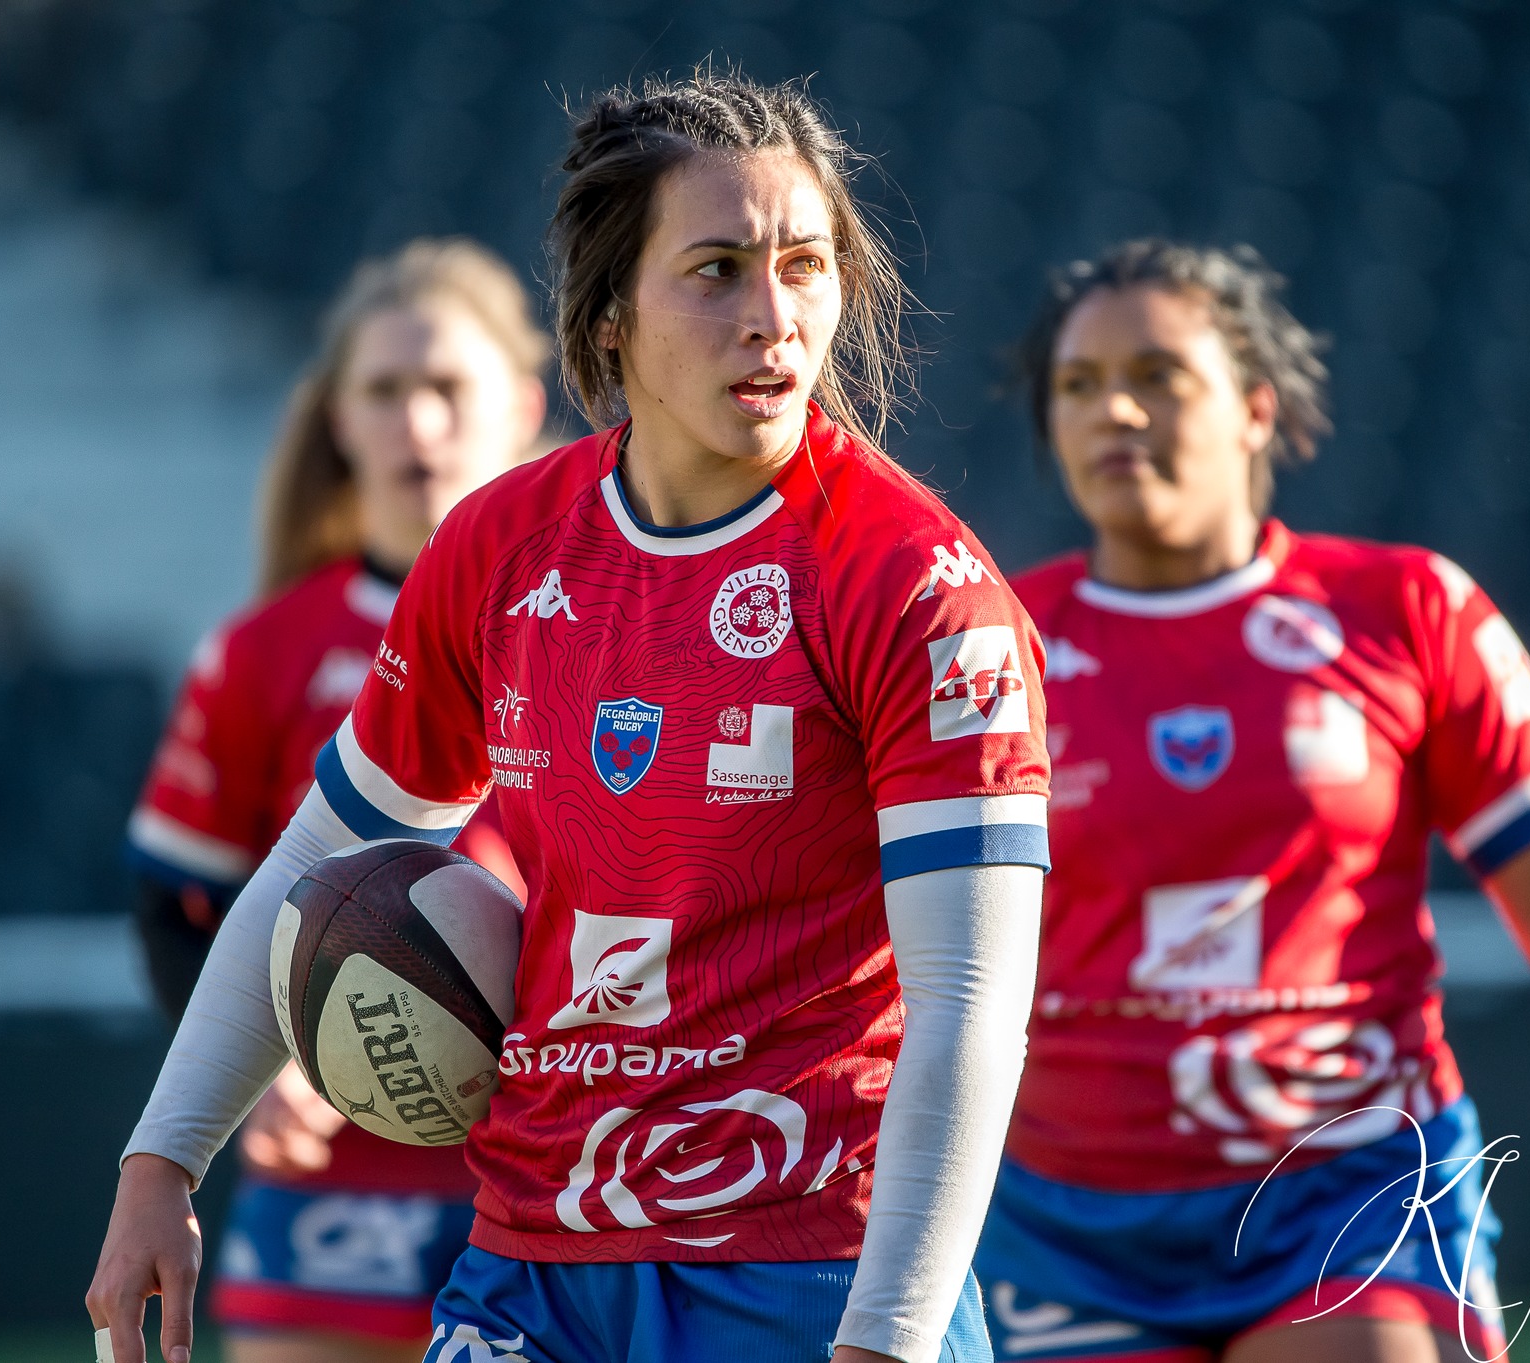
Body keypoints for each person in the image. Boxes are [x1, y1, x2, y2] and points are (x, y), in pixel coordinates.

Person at [89, 71, 1052, 1363]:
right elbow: (320, 854)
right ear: (606, 323)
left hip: (809, 1267)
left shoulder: (921, 588)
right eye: (715, 269)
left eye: (806, 264)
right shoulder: (499, 545)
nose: (775, 317)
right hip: (536, 1260)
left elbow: (971, 997)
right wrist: (163, 1155)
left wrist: (886, 1335)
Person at [973, 240, 1530, 1363]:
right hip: (1066, 1222)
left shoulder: (1407, 611)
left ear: (1253, 408)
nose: (1117, 413)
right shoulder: (991, 644)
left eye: (1157, 376)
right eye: (1080, 385)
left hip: (1349, 1192)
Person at [122, 237, 550, 1363]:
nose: (417, 424)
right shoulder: (261, 653)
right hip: (332, 1177)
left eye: (447, 389)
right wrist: (251, 1088)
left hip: (560, 1163)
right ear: (338, 422)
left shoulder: (610, 631)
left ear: (519, 404)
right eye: (385, 391)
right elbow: (177, 907)